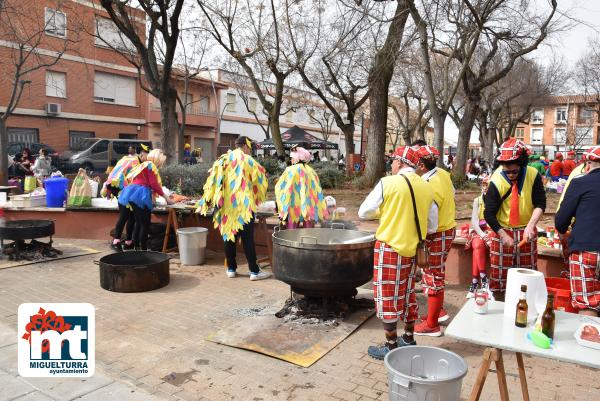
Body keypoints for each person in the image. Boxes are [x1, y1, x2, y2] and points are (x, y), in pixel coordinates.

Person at [358, 146, 435, 359]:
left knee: (387, 296)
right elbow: (433, 226)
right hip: (412, 251)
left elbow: (363, 212)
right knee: (408, 293)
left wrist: (385, 211)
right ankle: (408, 338)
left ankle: (391, 346)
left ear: (400, 163)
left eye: (392, 161)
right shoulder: (426, 187)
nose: (391, 164)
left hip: (389, 248)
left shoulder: (387, 183)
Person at [196, 136, 270, 281]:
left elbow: (212, 182)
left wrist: (207, 201)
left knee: (229, 237)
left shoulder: (222, 160)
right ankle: (254, 271)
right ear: (246, 147)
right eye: (250, 148)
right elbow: (261, 180)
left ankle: (231, 269)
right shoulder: (249, 160)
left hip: (226, 207)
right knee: (247, 239)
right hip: (244, 208)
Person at [483, 138, 546, 300]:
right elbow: (488, 213)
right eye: (506, 171)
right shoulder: (496, 180)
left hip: (526, 232)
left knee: (528, 275)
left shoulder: (533, 175)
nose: (510, 174)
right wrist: (503, 235)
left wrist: (531, 226)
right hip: (503, 231)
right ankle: (500, 303)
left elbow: (540, 203)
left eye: (514, 171)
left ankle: (525, 305)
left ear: (522, 164)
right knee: (499, 277)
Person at [413, 145, 456, 337]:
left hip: (436, 233)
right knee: (436, 273)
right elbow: (453, 193)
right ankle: (437, 312)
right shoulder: (443, 174)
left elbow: (430, 218)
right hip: (448, 229)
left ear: (421, 165)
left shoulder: (427, 185)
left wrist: (422, 237)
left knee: (432, 275)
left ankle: (432, 325)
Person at [555, 146, 600, 317]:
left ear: (588, 165)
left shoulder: (580, 182)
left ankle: (588, 340)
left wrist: (563, 231)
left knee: (588, 305)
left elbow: (561, 221)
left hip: (585, 251)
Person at [119, 149, 172, 250]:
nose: (162, 164)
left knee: (139, 223)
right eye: (162, 162)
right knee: (145, 224)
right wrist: (166, 198)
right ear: (158, 159)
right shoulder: (150, 165)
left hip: (131, 193)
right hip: (140, 194)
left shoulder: (142, 164)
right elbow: (154, 184)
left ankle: (138, 248)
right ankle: (143, 250)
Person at [274, 146, 327, 229]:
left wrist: (281, 203)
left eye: (292, 158)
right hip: (309, 205)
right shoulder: (311, 171)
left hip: (293, 206)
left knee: (292, 228)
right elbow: (317, 189)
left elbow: (279, 187)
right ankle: (308, 240)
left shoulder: (290, 170)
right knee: (308, 228)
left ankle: (292, 240)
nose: (291, 160)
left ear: (297, 158)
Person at [103, 146, 142, 252]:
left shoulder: (125, 159)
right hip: (122, 190)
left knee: (130, 216)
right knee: (125, 215)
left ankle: (128, 242)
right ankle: (116, 241)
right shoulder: (136, 162)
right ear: (141, 154)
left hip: (120, 188)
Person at [466, 176, 491, 298]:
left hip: (494, 231)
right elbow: (474, 222)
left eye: (488, 185)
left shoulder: (498, 200)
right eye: (484, 185)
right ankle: (483, 278)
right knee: (477, 244)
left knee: (478, 246)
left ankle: (475, 282)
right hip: (480, 231)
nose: (485, 188)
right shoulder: (478, 200)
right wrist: (482, 235)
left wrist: (490, 234)